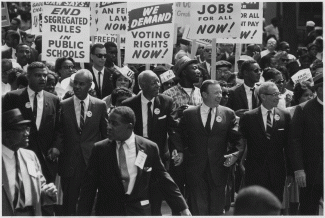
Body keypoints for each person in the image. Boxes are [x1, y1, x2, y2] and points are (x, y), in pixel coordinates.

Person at [77, 106, 191, 216]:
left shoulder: (149, 148)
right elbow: (88, 187)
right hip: (109, 212)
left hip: (139, 211)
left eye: (114, 123)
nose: (109, 127)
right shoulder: (100, 149)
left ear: (129, 126)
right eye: (109, 122)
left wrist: (183, 208)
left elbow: (164, 179)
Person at [2, 62, 61, 215]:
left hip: (45, 159)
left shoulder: (54, 99)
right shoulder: (12, 97)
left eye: (44, 75)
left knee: (45, 202)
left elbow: (59, 128)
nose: (42, 78)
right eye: (37, 75)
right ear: (28, 76)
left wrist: (56, 146)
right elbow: (6, 124)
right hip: (15, 154)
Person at [121, 70, 182, 215]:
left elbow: (173, 129)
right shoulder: (129, 104)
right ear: (142, 85)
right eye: (153, 82)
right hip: (136, 155)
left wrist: (177, 150)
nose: (158, 85)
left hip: (159, 155)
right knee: (137, 193)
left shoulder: (166, 101)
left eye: (158, 81)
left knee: (156, 195)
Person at [179, 80, 244, 215]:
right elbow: (180, 137)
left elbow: (238, 139)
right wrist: (180, 152)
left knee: (216, 210)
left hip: (219, 168)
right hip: (195, 170)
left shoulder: (228, 113)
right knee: (198, 209)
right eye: (216, 93)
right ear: (204, 94)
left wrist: (235, 154)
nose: (220, 95)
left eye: (220, 92)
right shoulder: (189, 114)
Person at [54, 69, 108, 215]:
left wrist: (104, 158)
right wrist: (57, 147)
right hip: (70, 162)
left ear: (90, 85)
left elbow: (105, 134)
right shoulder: (64, 105)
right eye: (75, 83)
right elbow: (59, 131)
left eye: (81, 84)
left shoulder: (100, 105)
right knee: (69, 203)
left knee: (88, 202)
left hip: (90, 161)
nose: (77, 87)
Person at [239, 81, 291, 202]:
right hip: (254, 171)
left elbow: (289, 145)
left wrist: (290, 171)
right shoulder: (248, 117)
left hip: (277, 171)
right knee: (255, 206)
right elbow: (241, 143)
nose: (278, 97)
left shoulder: (285, 115)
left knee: (274, 205)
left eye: (278, 94)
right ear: (263, 96)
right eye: (274, 94)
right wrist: (240, 164)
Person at [163, 56, 202, 212]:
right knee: (177, 188)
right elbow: (165, 124)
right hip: (177, 147)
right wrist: (178, 115)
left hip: (197, 148)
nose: (198, 71)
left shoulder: (202, 93)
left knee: (195, 190)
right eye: (193, 68)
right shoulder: (168, 94)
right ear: (183, 72)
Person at [2, 108, 57, 216]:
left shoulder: (30, 156)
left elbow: (40, 191)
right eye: (21, 130)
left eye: (27, 128)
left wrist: (47, 192)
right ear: (6, 134)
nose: (27, 133)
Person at [288, 74, 323, 215]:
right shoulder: (304, 109)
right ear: (320, 89)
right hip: (312, 171)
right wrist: (299, 169)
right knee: (309, 210)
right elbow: (294, 141)